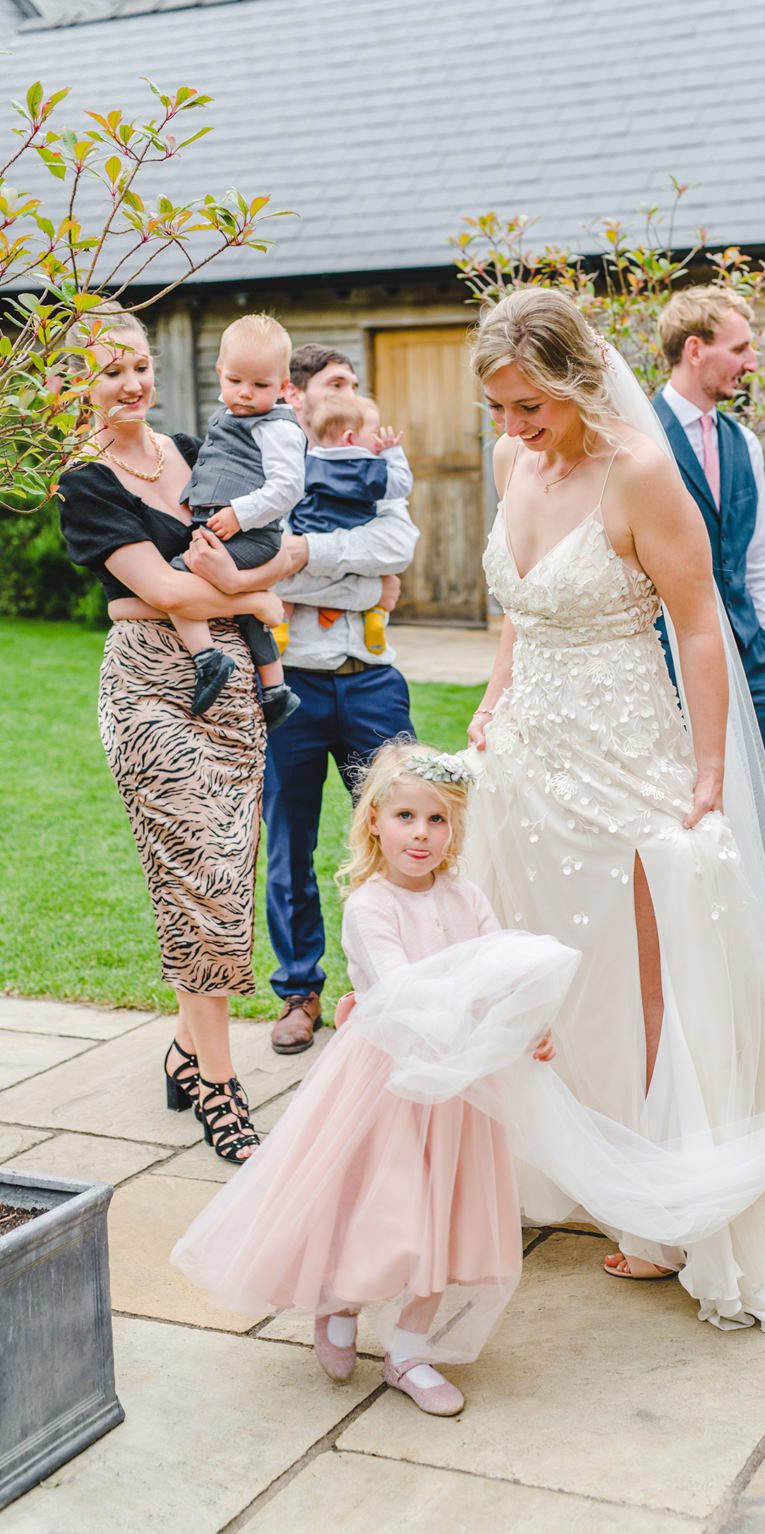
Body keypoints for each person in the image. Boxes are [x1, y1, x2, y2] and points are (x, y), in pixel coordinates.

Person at [463, 286, 765, 1315]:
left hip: (627, 750)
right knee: (535, 962)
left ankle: (665, 1201)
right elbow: (518, 612)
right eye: (498, 410)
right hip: (530, 750)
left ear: (578, 381)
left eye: (528, 407)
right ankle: (555, 1170)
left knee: (641, 972)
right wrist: (493, 703)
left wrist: (708, 768)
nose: (512, 429)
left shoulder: (638, 471)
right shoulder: (508, 463)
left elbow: (700, 622)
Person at [171, 744, 556, 1417]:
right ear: (374, 820)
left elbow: (504, 965)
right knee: (381, 1207)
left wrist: (526, 1019)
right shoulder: (371, 906)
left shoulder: (467, 896)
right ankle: (339, 1301)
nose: (421, 834)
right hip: (388, 1083)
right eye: (406, 815)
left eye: (437, 821)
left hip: (461, 1088)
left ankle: (410, 1346)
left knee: (446, 1215)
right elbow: (404, 985)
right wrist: (479, 1000)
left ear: (454, 830)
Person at [57, 310, 305, 1162]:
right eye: (109, 370)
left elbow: (286, 543)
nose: (130, 383)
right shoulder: (84, 481)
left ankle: (185, 1051)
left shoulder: (198, 451)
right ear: (71, 384)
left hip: (232, 690)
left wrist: (255, 586)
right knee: (199, 876)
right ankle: (221, 1088)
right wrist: (258, 595)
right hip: (152, 693)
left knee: (228, 877)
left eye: (139, 365)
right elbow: (167, 590)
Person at [264, 348, 421, 1055]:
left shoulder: (373, 458)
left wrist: (308, 562)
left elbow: (398, 544)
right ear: (297, 397)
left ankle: (400, 985)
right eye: (337, 385)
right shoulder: (276, 469)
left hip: (372, 677)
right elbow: (264, 558)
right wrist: (359, 583)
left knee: (404, 832)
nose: (354, 397)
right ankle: (300, 991)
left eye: (355, 385)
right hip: (289, 683)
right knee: (290, 842)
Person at [650, 286, 765, 774]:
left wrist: (764, 637)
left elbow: (757, 553)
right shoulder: (641, 438)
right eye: (740, 348)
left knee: (756, 794)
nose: (751, 362)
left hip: (751, 662)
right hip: (669, 664)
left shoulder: (743, 442)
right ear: (694, 349)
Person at [169, 314, 305, 724]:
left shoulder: (276, 427)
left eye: (260, 385)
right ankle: (277, 690)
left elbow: (288, 488)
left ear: (283, 387)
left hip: (253, 532)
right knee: (247, 614)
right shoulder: (231, 416)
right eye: (234, 381)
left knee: (181, 575)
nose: (245, 394)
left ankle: (207, 658)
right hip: (225, 528)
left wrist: (238, 514)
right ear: (220, 374)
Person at [290, 392, 410, 653]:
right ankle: (375, 613)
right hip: (358, 535)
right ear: (349, 439)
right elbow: (402, 484)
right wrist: (393, 452)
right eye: (374, 433)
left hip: (308, 531)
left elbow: (401, 548)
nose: (378, 440)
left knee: (289, 577)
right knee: (383, 575)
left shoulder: (302, 466)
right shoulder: (369, 471)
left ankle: (280, 624)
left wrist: (305, 548)